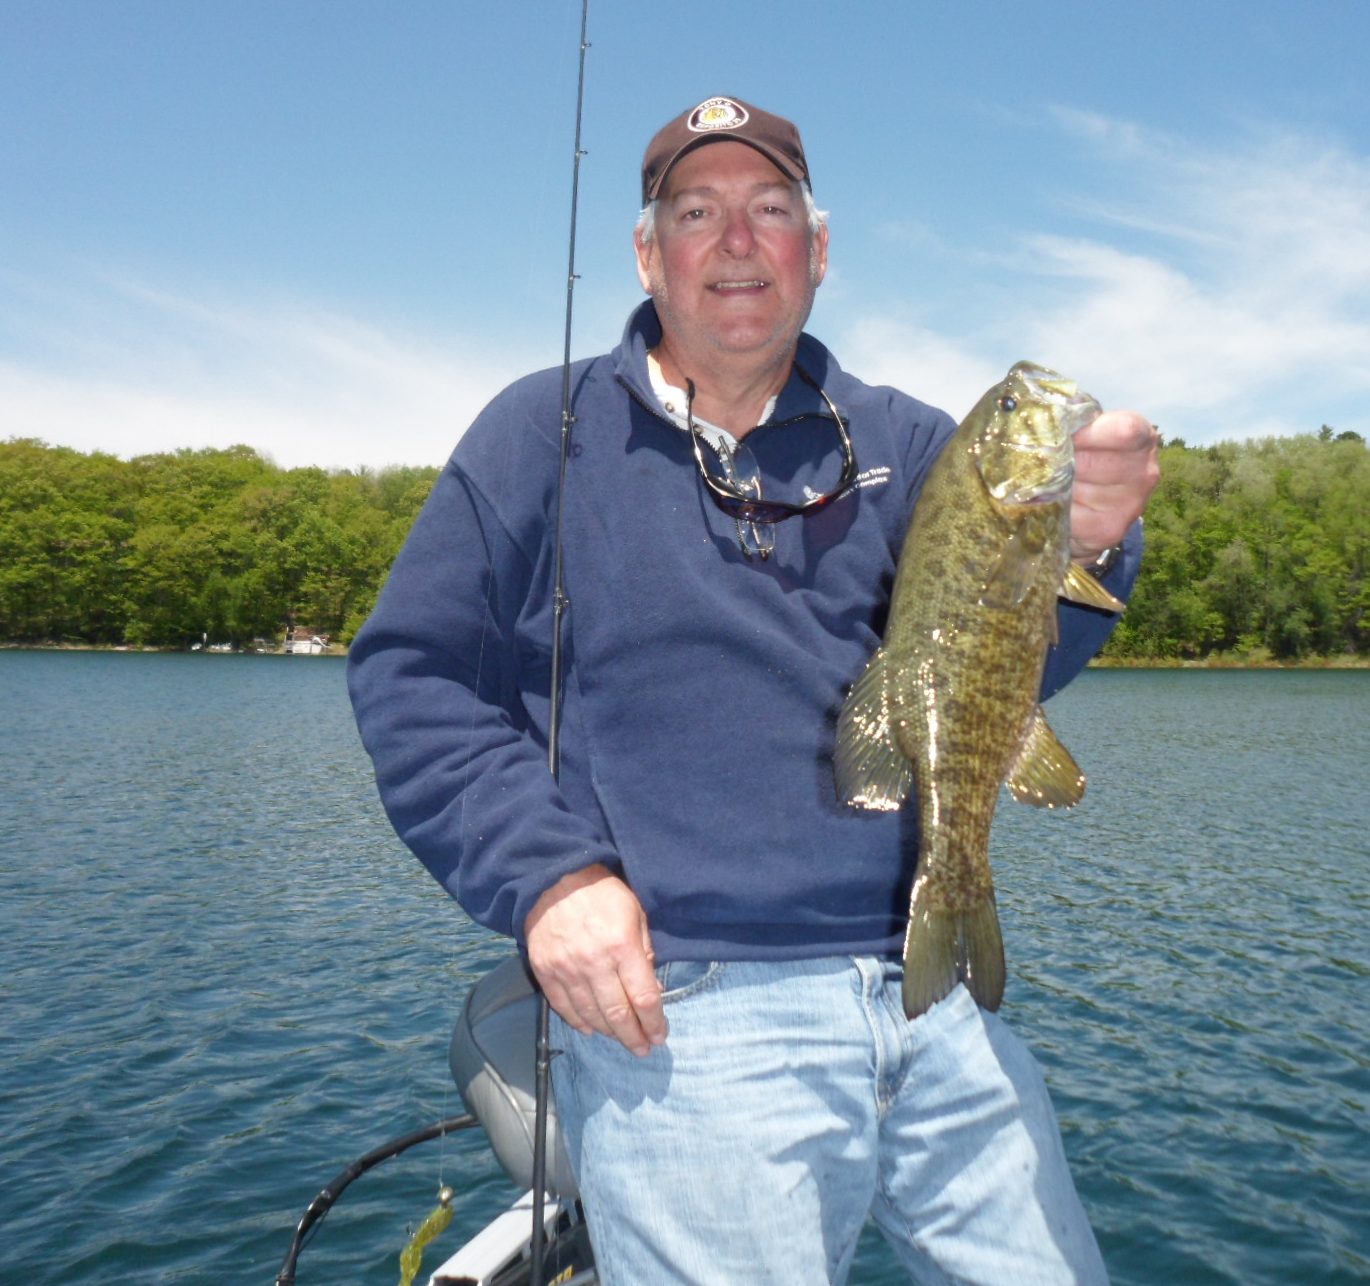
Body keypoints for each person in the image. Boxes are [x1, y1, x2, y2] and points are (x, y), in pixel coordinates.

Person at [347, 96, 1162, 1284]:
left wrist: (1088, 544)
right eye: (696, 213)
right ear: (647, 255)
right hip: (686, 1009)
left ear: (817, 251)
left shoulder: (912, 442)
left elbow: (996, 675)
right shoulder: (537, 431)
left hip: (934, 997)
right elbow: (413, 674)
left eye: (770, 210)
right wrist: (551, 879)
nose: (736, 241)